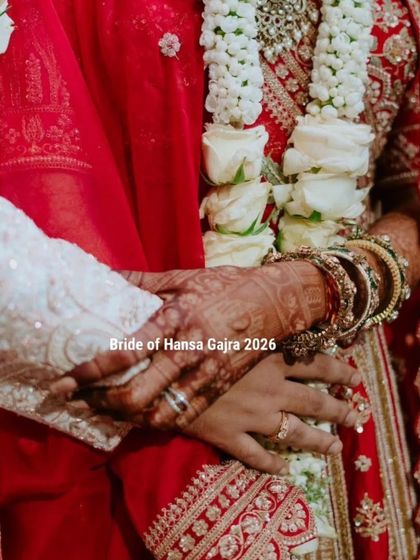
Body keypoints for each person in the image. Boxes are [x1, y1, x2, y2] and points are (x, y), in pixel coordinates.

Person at [0, 0, 418, 559]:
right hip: (135, 416)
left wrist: (311, 287)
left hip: (348, 380)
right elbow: (43, 188)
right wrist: (164, 364)